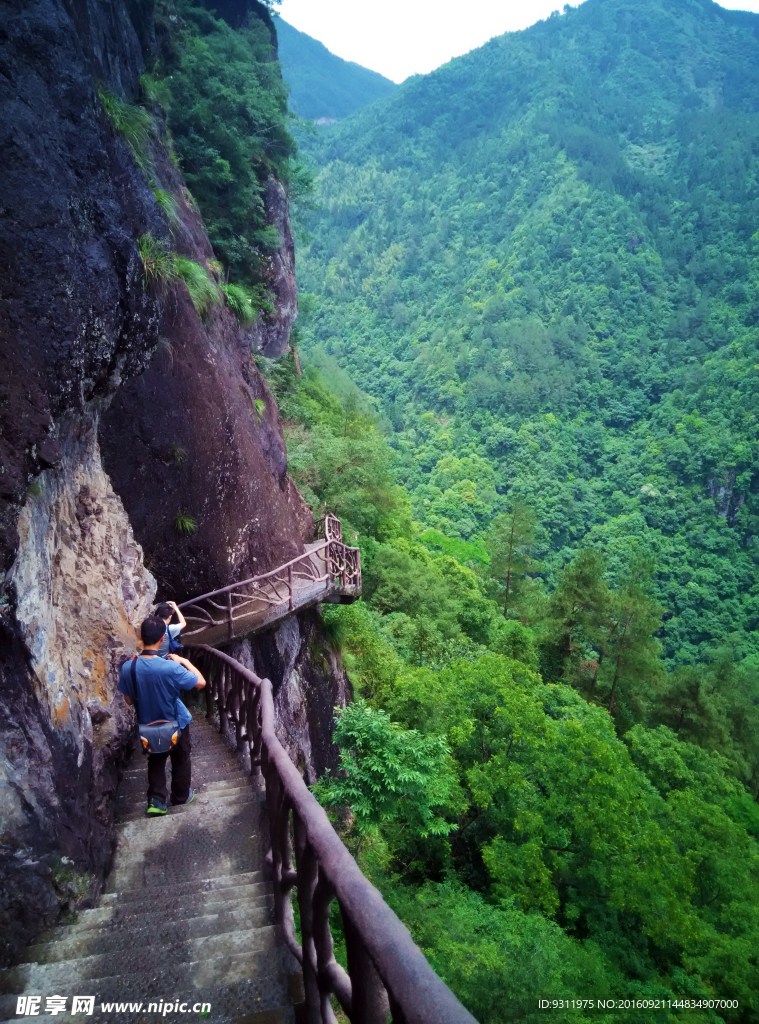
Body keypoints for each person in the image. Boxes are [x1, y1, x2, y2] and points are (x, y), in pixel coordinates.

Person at [119, 615, 206, 816]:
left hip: (148, 724)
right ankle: (181, 795)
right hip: (176, 722)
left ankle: (156, 801)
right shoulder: (171, 667)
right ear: (161, 640)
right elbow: (201, 683)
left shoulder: (128, 667)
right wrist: (183, 660)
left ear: (141, 637)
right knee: (181, 757)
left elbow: (129, 700)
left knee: (156, 760)